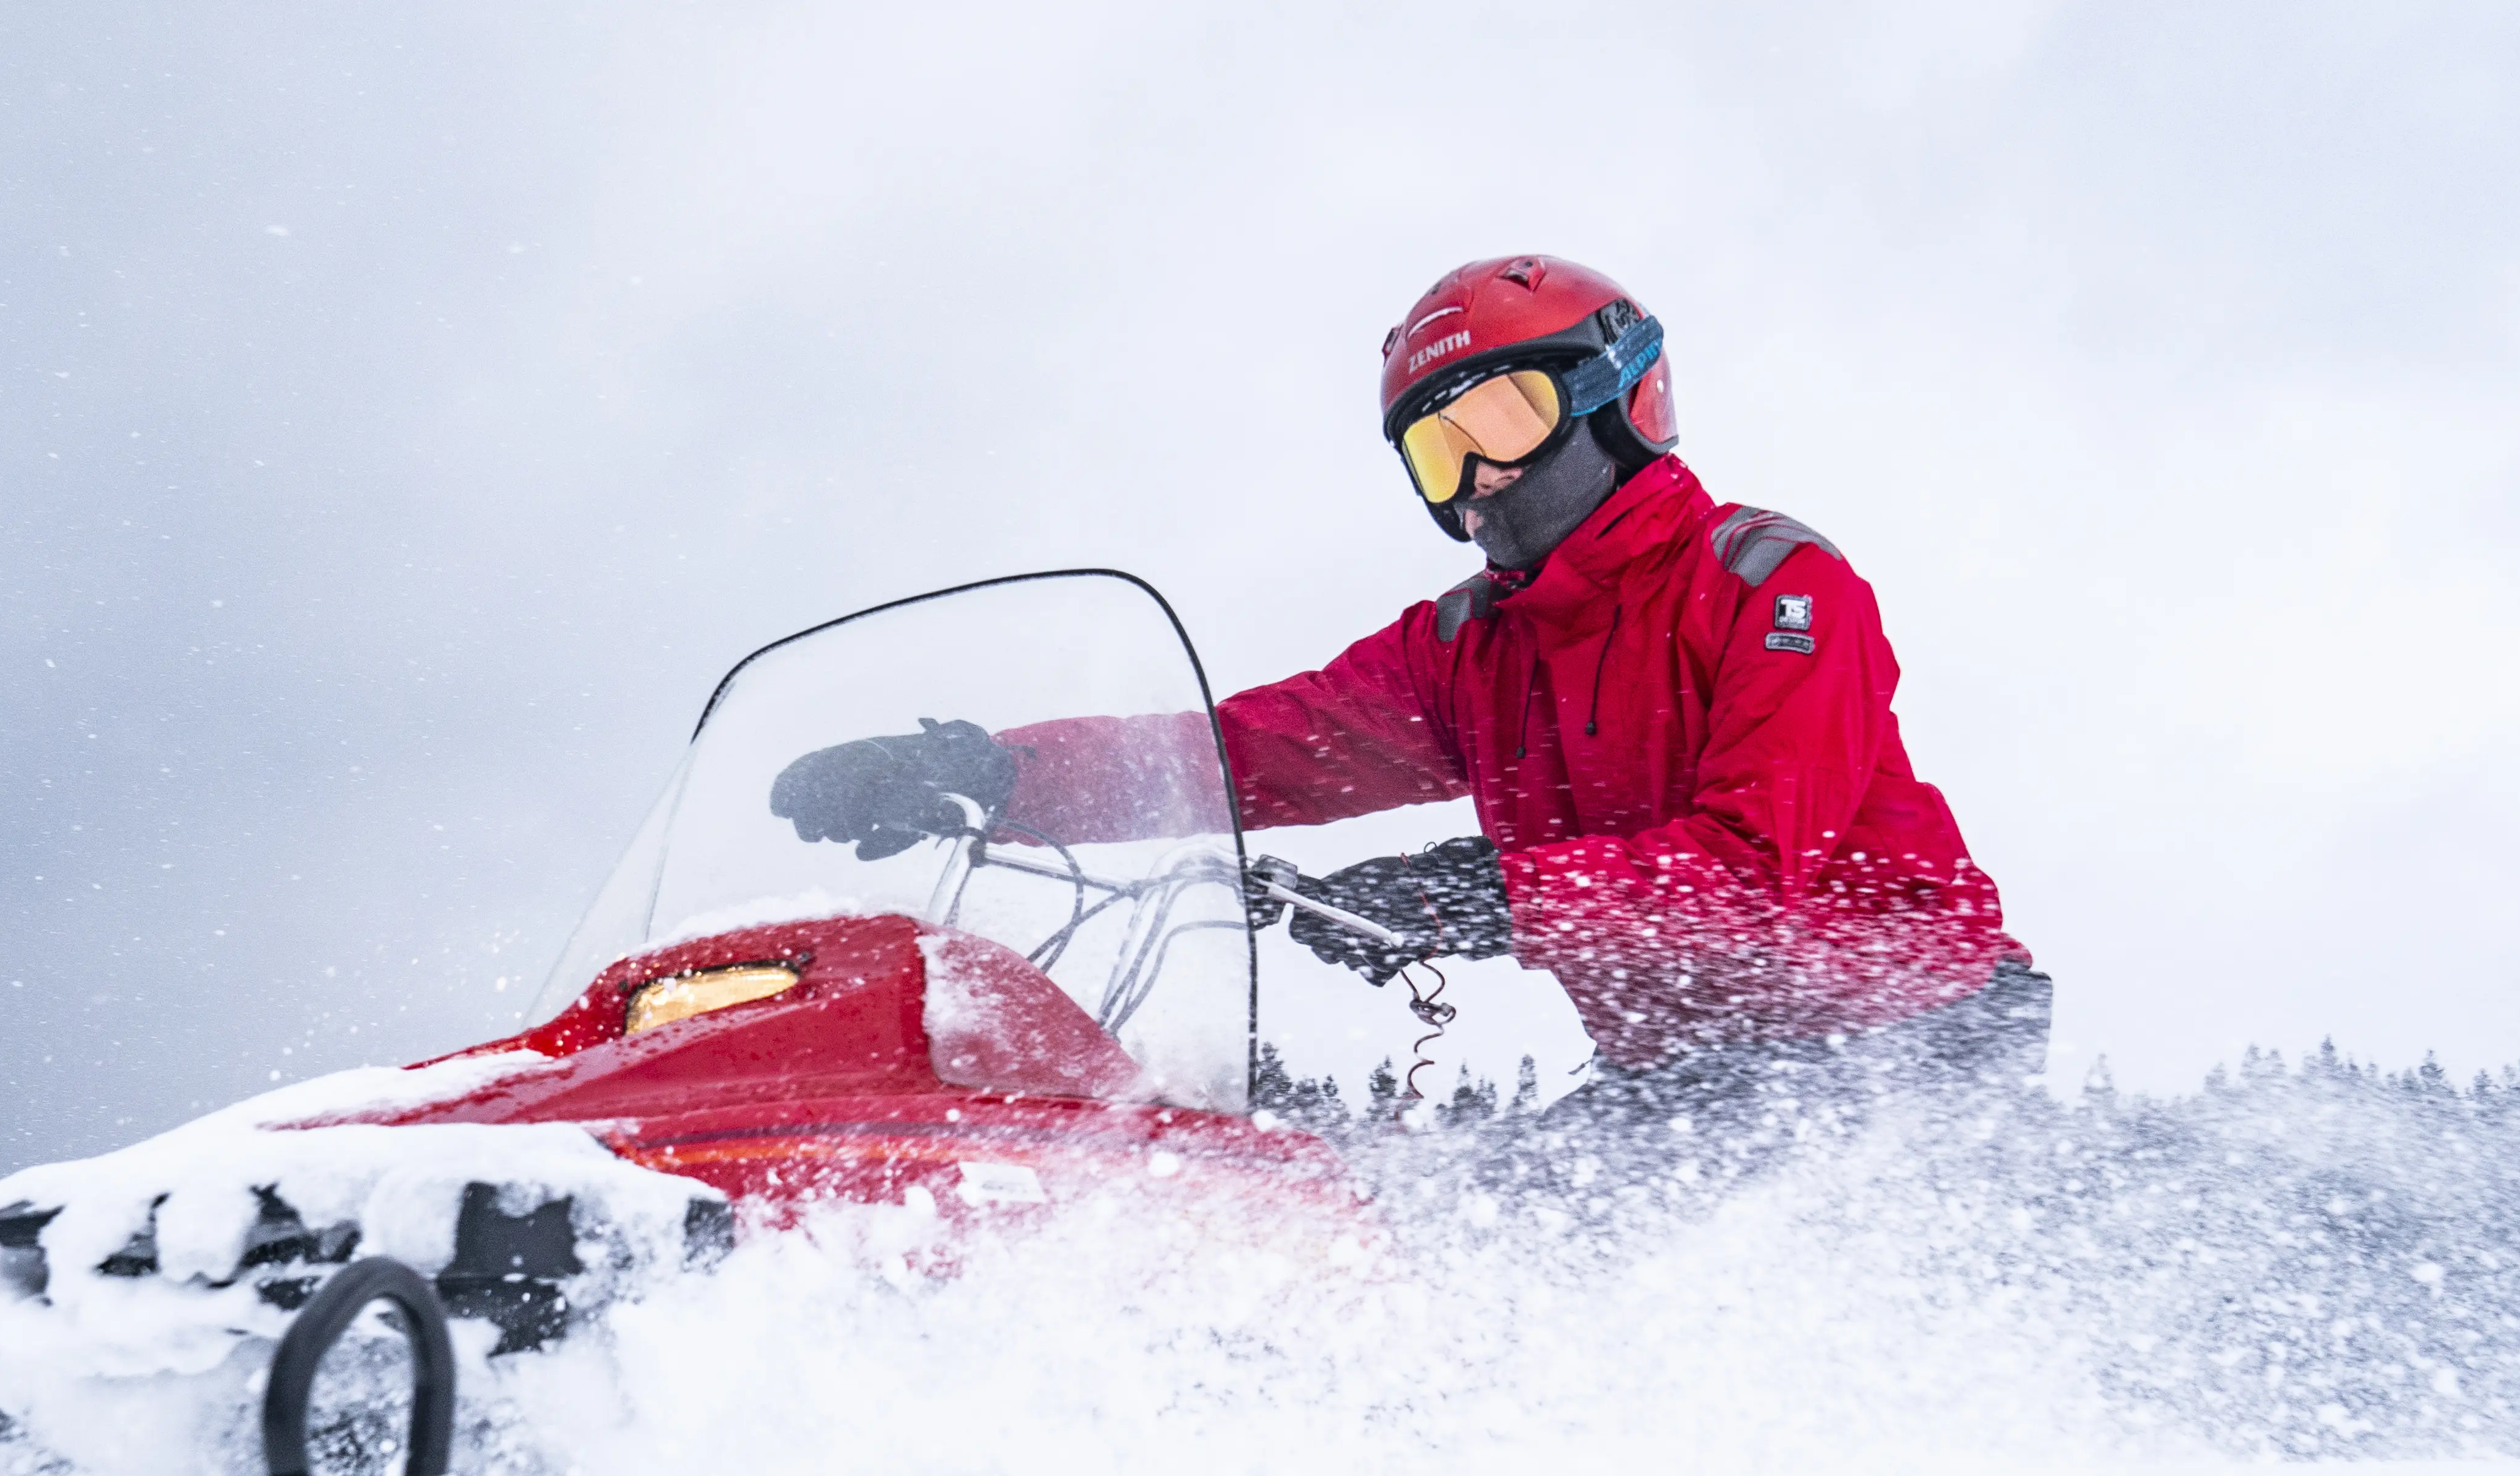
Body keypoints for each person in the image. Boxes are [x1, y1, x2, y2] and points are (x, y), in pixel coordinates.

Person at [771, 255, 2042, 1108]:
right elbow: (1246, 755)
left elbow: (1751, 871)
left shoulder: (1772, 587)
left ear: (1615, 400)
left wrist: (1482, 894)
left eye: (1495, 425)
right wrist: (988, 771)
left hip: (1902, 1032)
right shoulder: (1472, 648)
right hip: (1695, 1072)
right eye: (1435, 451)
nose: (1474, 479)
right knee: (1442, 1247)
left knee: (1539, 1272)